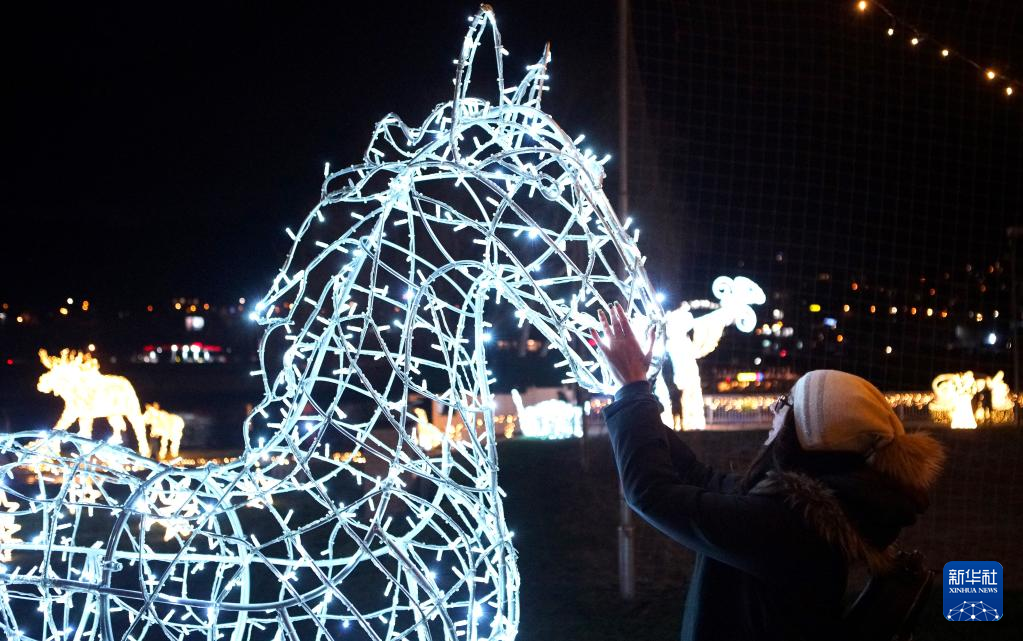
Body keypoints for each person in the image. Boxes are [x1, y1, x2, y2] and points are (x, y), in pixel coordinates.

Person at [591, 302, 945, 641]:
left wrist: (633, 389)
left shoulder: (789, 528)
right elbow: (699, 477)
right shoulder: (809, 510)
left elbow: (653, 494)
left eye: (786, 403)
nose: (775, 408)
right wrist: (631, 394)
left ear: (809, 436)